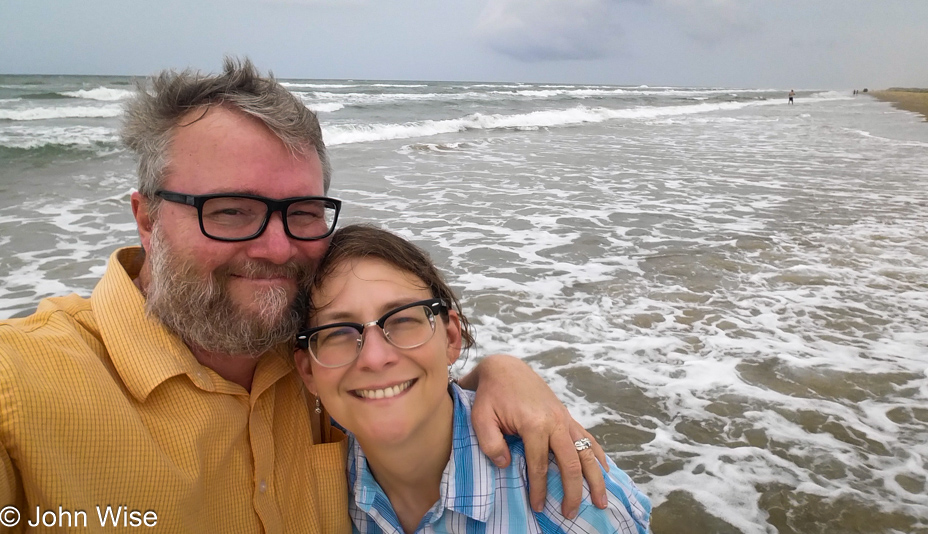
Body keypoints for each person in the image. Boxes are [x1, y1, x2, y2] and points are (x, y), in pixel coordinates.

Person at [0, 58, 607, 532]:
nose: (275, 247)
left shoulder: (322, 360)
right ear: (147, 218)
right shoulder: (20, 390)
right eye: (230, 211)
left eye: (303, 212)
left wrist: (497, 372)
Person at [294, 225, 651, 533]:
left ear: (451, 338)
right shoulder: (320, 480)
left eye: (402, 320)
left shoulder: (567, 496)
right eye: (338, 332)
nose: (374, 357)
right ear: (308, 371)